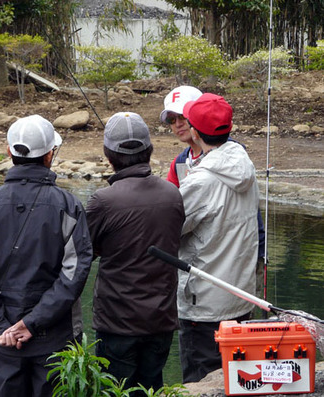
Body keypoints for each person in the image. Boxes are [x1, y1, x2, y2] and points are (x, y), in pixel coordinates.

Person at [0, 114, 93, 397]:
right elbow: (74, 274)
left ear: (9, 152)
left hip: (3, 340)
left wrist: (0, 326)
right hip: (57, 338)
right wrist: (32, 323)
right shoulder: (68, 205)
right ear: (49, 155)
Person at [86, 112, 185, 393]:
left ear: (108, 155)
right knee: (151, 386)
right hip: (162, 320)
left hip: (117, 324)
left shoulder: (102, 201)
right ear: (149, 150)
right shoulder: (172, 194)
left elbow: (84, 252)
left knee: (114, 389)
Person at [176, 94, 260, 383]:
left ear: (195, 133)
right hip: (240, 300)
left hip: (204, 308)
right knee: (236, 381)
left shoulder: (201, 181)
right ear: (229, 127)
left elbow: (171, 228)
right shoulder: (246, 167)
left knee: (201, 381)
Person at [161, 86, 266, 300]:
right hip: (201, 267)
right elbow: (169, 205)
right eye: (171, 120)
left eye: (182, 116)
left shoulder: (235, 158)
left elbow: (172, 221)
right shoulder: (180, 162)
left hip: (234, 263)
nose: (178, 124)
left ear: (196, 122)